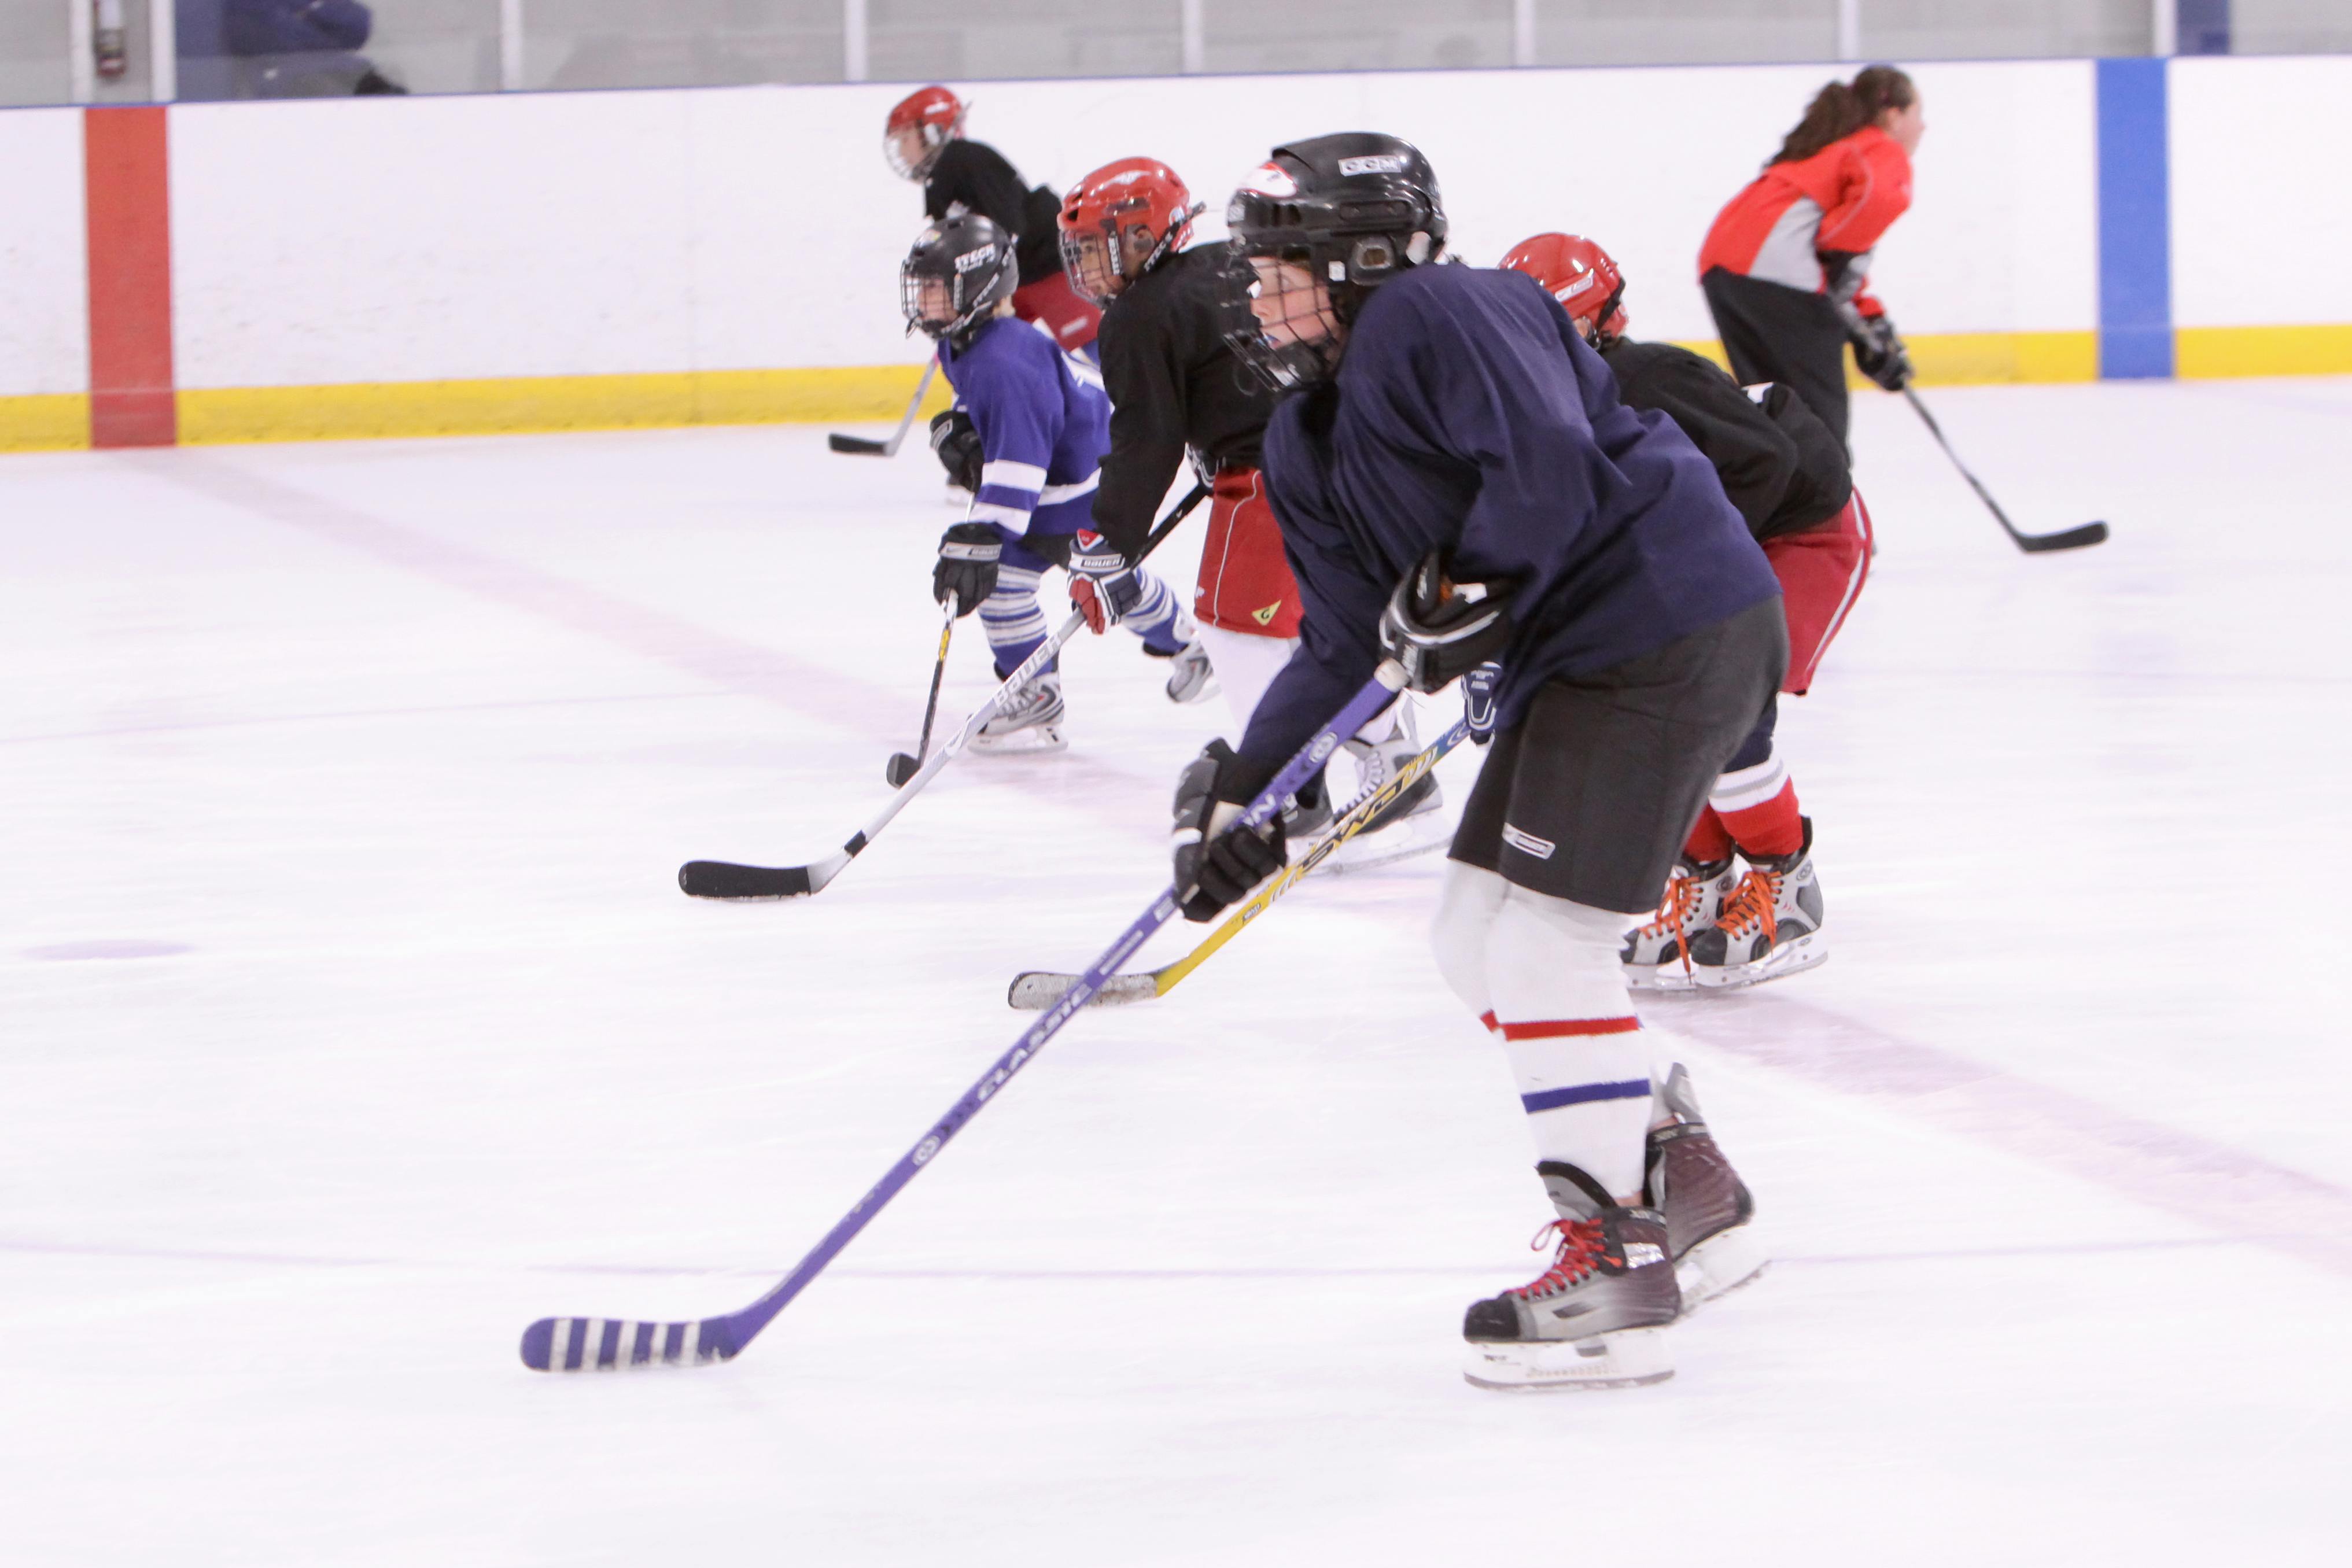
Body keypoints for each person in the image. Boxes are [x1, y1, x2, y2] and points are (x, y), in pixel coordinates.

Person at [1177, 134, 1782, 1390]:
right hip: (1589, 657)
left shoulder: (1444, 307)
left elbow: (1548, 469)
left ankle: (1615, 1253)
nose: (1256, 294)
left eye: (1281, 268)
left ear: (1365, 258)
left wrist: (1479, 580)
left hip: (1662, 620)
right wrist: (1247, 793)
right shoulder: (1303, 433)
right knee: (1471, 934)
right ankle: (1680, 1181)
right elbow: (1345, 639)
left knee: (1543, 943)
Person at [1503, 233, 1872, 990]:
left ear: (1604, 322)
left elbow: (1763, 464)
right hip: (1713, 543)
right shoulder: (1536, 402)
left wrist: (1666, 560)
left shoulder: (1648, 376)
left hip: (1803, 533)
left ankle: (1787, 887)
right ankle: (1702, 881)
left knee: (1720, 704)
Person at [1056, 154, 1440, 843]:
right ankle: (1386, 752)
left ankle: (1307, 783)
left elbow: (1148, 442)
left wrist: (1107, 544)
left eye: (1097, 246)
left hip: (1269, 476)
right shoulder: (1221, 263)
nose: (1087, 266)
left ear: (1145, 236)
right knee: (1316, 624)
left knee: (1233, 625)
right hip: (1341, 455)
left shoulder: (1137, 315)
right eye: (1079, 250)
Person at [902, 216, 1194, 753]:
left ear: (978, 290)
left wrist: (983, 532)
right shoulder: (964, 342)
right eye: (921, 291)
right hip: (1056, 472)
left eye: (937, 291)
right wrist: (963, 423)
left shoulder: (1007, 360)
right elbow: (986, 406)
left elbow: (1021, 462)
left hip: (1080, 480)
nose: (924, 304)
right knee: (1008, 583)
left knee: (1105, 579)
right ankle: (1038, 691)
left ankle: (1187, 642)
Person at [1698, 65, 1922, 449]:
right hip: (1774, 270)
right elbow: (1872, 206)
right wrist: (1862, 321)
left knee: (1775, 416)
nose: (1923, 128)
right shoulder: (1878, 146)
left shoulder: (1828, 149)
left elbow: (1832, 265)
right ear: (1893, 115)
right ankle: (1822, 507)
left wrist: (1867, 320)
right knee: (1820, 433)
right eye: (1919, 114)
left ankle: (1770, 504)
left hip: (1727, 267)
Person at [884, 87, 1100, 357]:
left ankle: (1134, 395)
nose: (903, 153)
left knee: (1093, 345)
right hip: (1009, 279)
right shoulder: (936, 183)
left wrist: (985, 277)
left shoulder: (966, 158)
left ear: (932, 132)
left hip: (1045, 265)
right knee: (984, 352)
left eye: (906, 140)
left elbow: (1011, 223)